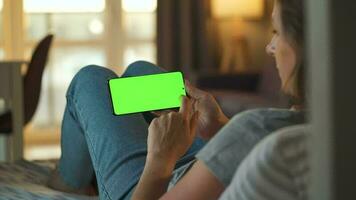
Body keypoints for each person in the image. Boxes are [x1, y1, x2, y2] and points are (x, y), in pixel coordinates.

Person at [48, 0, 306, 199]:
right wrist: (221, 126)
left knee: (91, 79)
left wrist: (160, 160)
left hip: (160, 181)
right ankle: (95, 166)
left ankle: (69, 180)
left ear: (303, 47)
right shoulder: (329, 121)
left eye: (276, 32)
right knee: (138, 71)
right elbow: (243, 150)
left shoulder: (255, 127)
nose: (269, 47)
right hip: (201, 162)